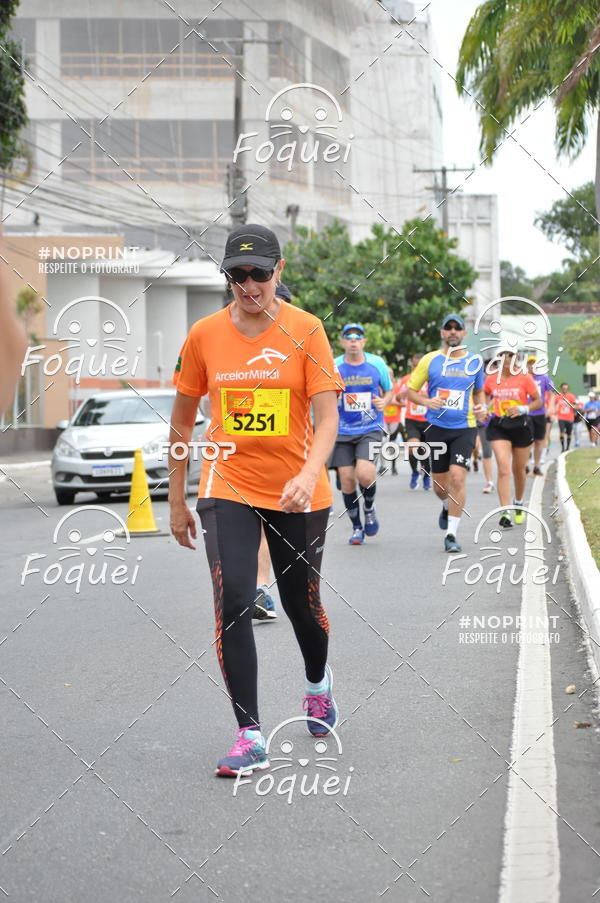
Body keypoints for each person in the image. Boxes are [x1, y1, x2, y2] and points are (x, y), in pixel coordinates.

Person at [168, 223, 340, 777]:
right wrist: (176, 500)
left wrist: (309, 471)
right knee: (235, 599)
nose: (249, 285)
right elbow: (180, 422)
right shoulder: (203, 335)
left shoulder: (307, 330)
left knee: (302, 606)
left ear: (278, 272)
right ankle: (250, 734)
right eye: (237, 275)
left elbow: (327, 416)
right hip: (228, 484)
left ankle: (317, 683)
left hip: (298, 489)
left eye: (259, 273)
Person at [407, 313, 486, 554]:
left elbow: (479, 392)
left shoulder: (475, 362)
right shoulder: (430, 360)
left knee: (458, 478)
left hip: (465, 427)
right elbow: (410, 392)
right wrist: (427, 401)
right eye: (448, 328)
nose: (452, 331)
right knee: (440, 486)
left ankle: (451, 534)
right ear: (442, 333)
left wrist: (481, 407)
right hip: (436, 429)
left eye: (457, 328)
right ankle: (445, 505)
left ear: (464, 333)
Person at [252, 280, 295, 620]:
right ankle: (259, 589)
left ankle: (276, 589)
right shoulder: (239, 345)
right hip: (243, 461)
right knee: (258, 526)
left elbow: (326, 408)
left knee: (274, 531)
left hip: (291, 458)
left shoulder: (305, 343)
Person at [331, 323, 393, 544]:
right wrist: (333, 399)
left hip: (370, 428)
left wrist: (383, 401)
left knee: (365, 474)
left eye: (358, 337)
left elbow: (389, 391)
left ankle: (368, 507)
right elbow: (323, 394)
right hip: (341, 430)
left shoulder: (376, 363)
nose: (353, 340)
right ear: (342, 342)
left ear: (364, 342)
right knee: (347, 481)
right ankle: (357, 527)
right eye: (349, 337)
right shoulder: (334, 365)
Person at [484, 345, 541, 528]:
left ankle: (518, 502)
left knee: (519, 470)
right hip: (499, 426)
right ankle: (505, 511)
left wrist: (523, 408)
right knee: (503, 467)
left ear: (516, 358)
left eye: (510, 355)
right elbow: (484, 394)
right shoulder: (492, 379)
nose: (506, 358)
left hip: (520, 426)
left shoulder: (525, 378)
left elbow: (538, 401)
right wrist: (485, 408)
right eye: (502, 355)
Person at [402, 354, 432, 490]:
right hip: (411, 419)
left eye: (419, 366)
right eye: (414, 365)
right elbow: (398, 396)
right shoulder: (406, 380)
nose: (416, 368)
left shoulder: (431, 380)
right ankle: (414, 472)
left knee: (424, 451)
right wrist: (402, 395)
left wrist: (426, 397)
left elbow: (440, 395)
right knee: (413, 448)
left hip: (427, 419)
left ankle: (426, 476)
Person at [526, 355, 555, 475]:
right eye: (530, 363)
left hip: (540, 413)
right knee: (527, 440)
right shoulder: (524, 378)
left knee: (539, 440)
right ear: (527, 365)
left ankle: (536, 465)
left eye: (535, 363)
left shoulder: (544, 379)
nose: (532, 365)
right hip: (526, 412)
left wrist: (551, 407)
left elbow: (552, 394)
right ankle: (526, 464)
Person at [379, 366, 403, 476]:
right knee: (383, 442)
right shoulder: (379, 387)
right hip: (382, 418)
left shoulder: (397, 387)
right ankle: (382, 466)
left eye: (390, 374)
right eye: (386, 374)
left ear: (392, 376)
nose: (388, 377)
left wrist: (392, 402)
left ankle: (393, 466)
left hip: (394, 419)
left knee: (393, 444)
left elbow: (404, 403)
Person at [555, 382, 578, 452]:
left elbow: (576, 406)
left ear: (567, 388)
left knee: (569, 433)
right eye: (563, 388)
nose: (565, 389)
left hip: (570, 417)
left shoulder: (571, 396)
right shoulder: (558, 396)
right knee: (561, 432)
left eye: (566, 388)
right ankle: (562, 448)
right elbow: (554, 405)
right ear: (561, 388)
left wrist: (573, 406)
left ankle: (567, 447)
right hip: (561, 417)